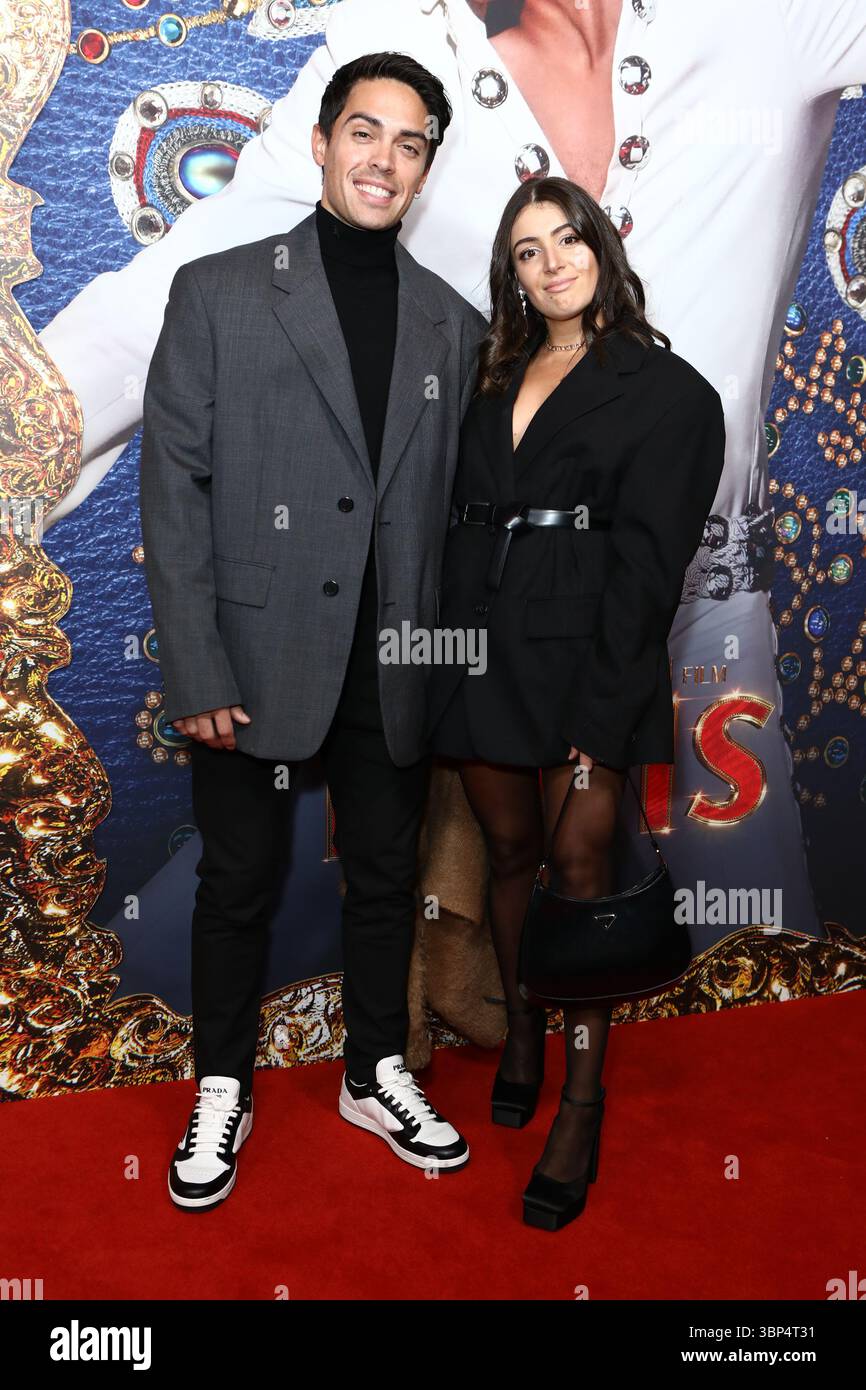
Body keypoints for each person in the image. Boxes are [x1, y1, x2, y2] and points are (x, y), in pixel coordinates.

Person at [43, 0, 866, 962]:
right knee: (440, 897)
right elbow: (156, 310)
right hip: (498, 621)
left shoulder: (769, 17)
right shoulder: (393, 50)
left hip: (701, 621)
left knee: (759, 965)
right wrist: (23, 440)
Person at [139, 52, 488, 1210]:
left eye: (409, 142)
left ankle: (373, 1068)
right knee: (237, 881)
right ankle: (222, 1084)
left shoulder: (454, 326)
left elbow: (456, 517)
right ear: (324, 142)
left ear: (426, 167)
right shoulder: (219, 291)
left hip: (391, 668)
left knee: (385, 879)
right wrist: (196, 662)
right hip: (247, 659)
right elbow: (172, 490)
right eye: (365, 132)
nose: (384, 158)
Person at [425, 176, 726, 1230]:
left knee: (582, 878)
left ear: (602, 246)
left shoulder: (669, 392)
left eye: (567, 239)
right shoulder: (489, 373)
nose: (551, 263)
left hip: (590, 666)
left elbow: (649, 574)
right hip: (482, 657)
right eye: (526, 250)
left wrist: (603, 717)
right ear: (510, 275)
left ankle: (582, 1102)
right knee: (509, 856)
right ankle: (520, 1030)